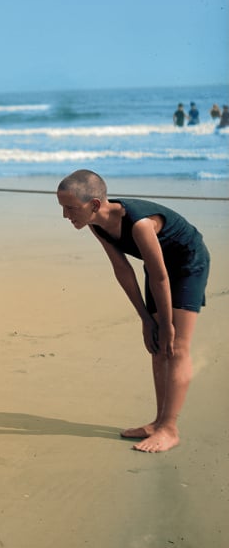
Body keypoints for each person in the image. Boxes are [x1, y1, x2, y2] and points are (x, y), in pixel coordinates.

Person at [56, 169, 210, 453]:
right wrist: (145, 320)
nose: (66, 215)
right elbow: (123, 269)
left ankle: (170, 428)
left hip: (187, 264)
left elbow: (161, 275)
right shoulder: (96, 223)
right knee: (156, 346)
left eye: (70, 208)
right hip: (158, 270)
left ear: (94, 205)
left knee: (175, 345)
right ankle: (157, 422)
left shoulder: (139, 224)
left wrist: (165, 324)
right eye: (62, 207)